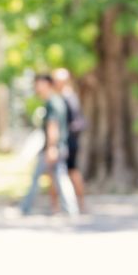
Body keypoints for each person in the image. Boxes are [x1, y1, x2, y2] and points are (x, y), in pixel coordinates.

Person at [19, 74, 79, 217]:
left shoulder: (53, 103)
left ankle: (25, 208)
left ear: (47, 84)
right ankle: (71, 209)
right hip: (57, 146)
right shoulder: (55, 101)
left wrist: (51, 147)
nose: (37, 87)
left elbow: (53, 126)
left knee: (42, 177)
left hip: (53, 147)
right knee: (60, 177)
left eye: (39, 84)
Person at [52, 68, 86, 212]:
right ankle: (57, 206)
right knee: (64, 172)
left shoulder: (67, 98)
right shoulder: (65, 97)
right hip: (67, 141)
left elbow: (72, 122)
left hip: (67, 142)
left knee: (69, 172)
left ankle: (76, 204)